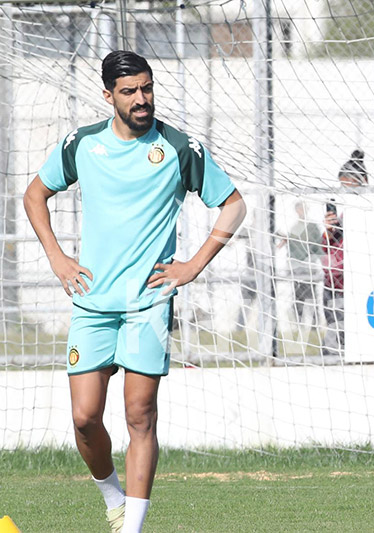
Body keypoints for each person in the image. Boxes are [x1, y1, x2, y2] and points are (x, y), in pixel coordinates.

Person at [23, 51, 246, 532]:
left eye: (147, 88)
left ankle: (134, 528)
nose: (142, 99)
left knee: (140, 414)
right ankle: (113, 499)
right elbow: (34, 195)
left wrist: (192, 265)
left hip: (148, 302)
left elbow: (232, 205)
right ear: (109, 96)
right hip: (93, 302)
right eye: (130, 91)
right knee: (84, 418)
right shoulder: (81, 145)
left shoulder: (180, 147)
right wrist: (58, 258)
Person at [321, 149, 368, 356]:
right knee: (334, 340)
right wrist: (329, 233)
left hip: (354, 287)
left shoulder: (368, 212)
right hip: (334, 285)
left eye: (350, 185)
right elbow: (329, 250)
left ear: (363, 182)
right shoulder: (342, 215)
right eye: (343, 186)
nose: (346, 190)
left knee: (345, 343)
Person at [278, 201, 323, 327]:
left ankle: (315, 325)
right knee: (298, 298)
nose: (300, 211)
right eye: (298, 209)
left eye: (303, 208)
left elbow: (317, 245)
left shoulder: (312, 226)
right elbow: (292, 247)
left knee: (312, 297)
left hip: (309, 267)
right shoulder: (294, 227)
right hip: (296, 267)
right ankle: (299, 325)